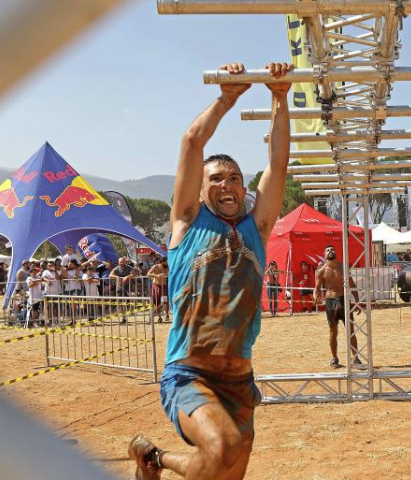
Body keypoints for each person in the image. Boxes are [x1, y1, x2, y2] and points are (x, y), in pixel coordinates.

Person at [128, 61, 293, 480]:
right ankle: (159, 460)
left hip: (240, 378)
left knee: (224, 472)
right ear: (200, 191)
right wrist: (227, 97)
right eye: (216, 179)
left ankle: (151, 459)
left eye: (234, 178)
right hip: (189, 373)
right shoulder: (187, 221)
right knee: (223, 447)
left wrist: (280, 96)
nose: (227, 185)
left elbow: (278, 161)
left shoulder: (259, 227)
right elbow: (191, 142)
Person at [314, 245, 365, 369]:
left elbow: (351, 283)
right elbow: (317, 288)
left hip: (343, 300)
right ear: (324, 255)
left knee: (350, 330)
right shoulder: (321, 271)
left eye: (332, 249)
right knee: (333, 331)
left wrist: (357, 301)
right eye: (328, 250)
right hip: (330, 302)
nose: (331, 251)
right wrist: (316, 297)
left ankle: (355, 357)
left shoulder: (342, 268)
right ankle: (334, 358)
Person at [147, 257, 169, 323]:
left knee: (164, 301)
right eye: (166, 261)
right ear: (162, 262)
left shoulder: (168, 267)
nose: (167, 263)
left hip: (164, 286)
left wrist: (166, 274)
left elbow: (171, 273)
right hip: (156, 286)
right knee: (156, 301)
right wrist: (156, 275)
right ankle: (159, 316)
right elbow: (148, 274)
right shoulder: (155, 266)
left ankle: (153, 314)